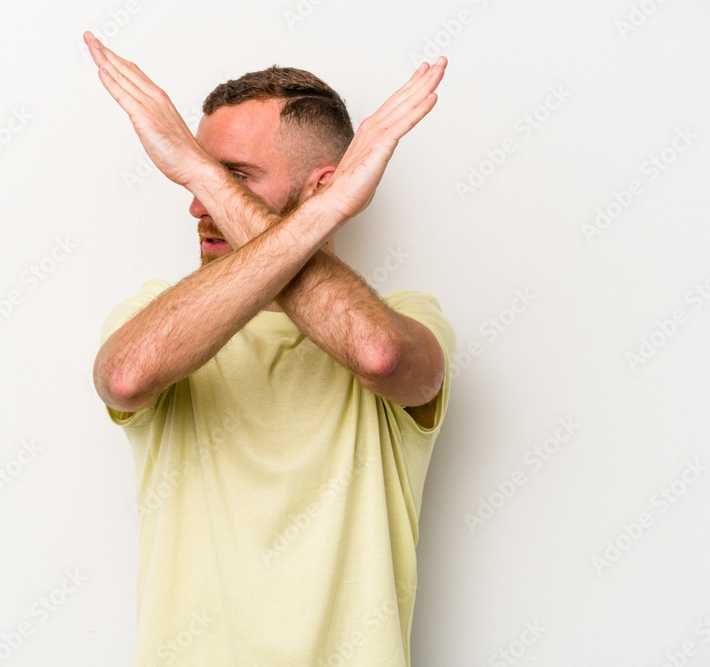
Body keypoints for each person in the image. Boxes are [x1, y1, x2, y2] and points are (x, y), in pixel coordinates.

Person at [85, 30, 455, 666]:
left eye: (233, 176)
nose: (199, 202)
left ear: (321, 186)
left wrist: (217, 173)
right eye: (195, 174)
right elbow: (125, 377)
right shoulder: (152, 317)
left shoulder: (412, 319)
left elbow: (378, 356)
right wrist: (327, 212)